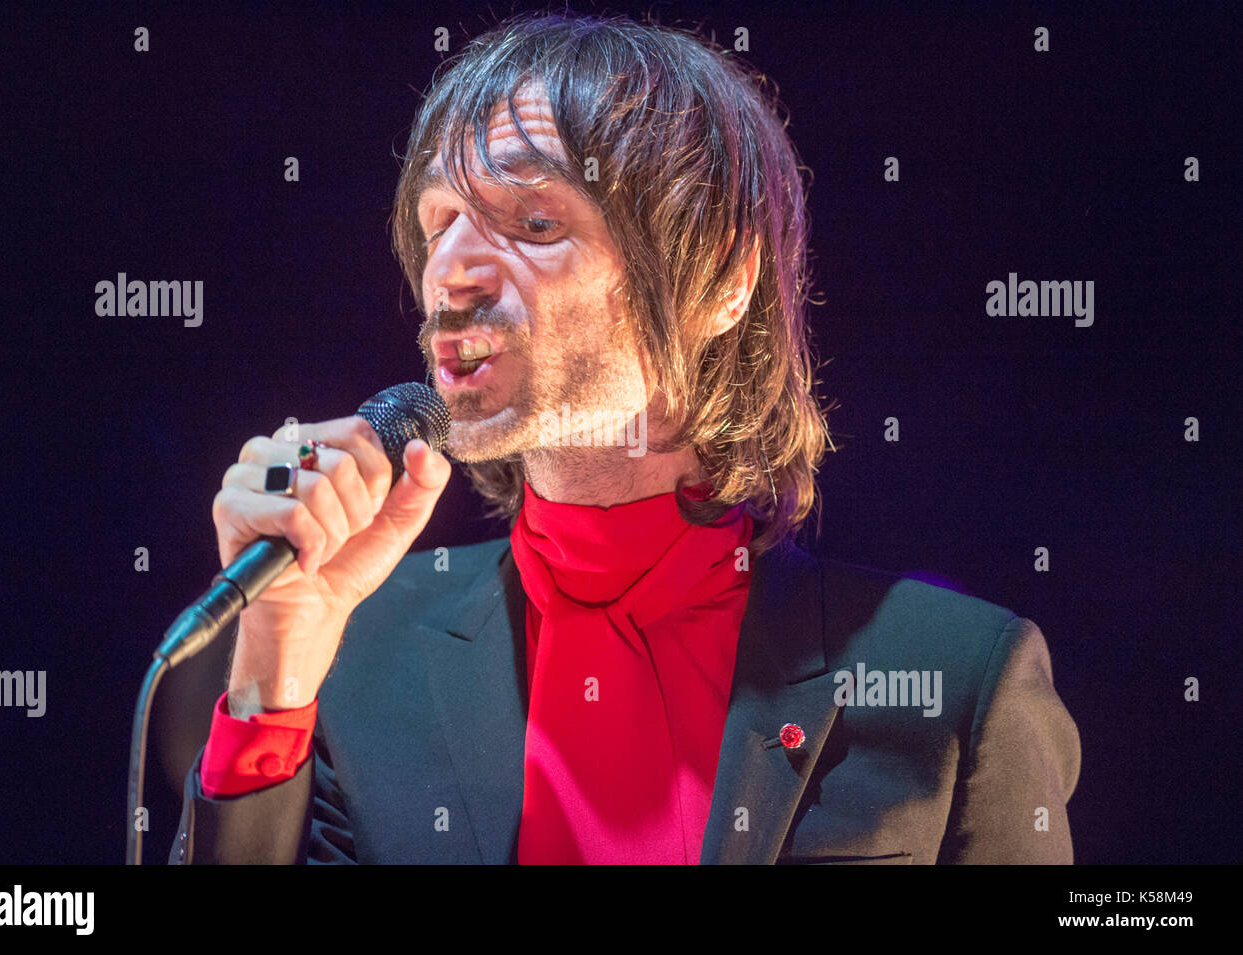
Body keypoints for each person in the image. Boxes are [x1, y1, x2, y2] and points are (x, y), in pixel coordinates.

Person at [170, 12, 1080, 865]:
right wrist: (274, 669)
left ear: (720, 277)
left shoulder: (955, 677)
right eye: (438, 222)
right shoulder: (355, 645)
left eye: (534, 222)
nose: (451, 269)